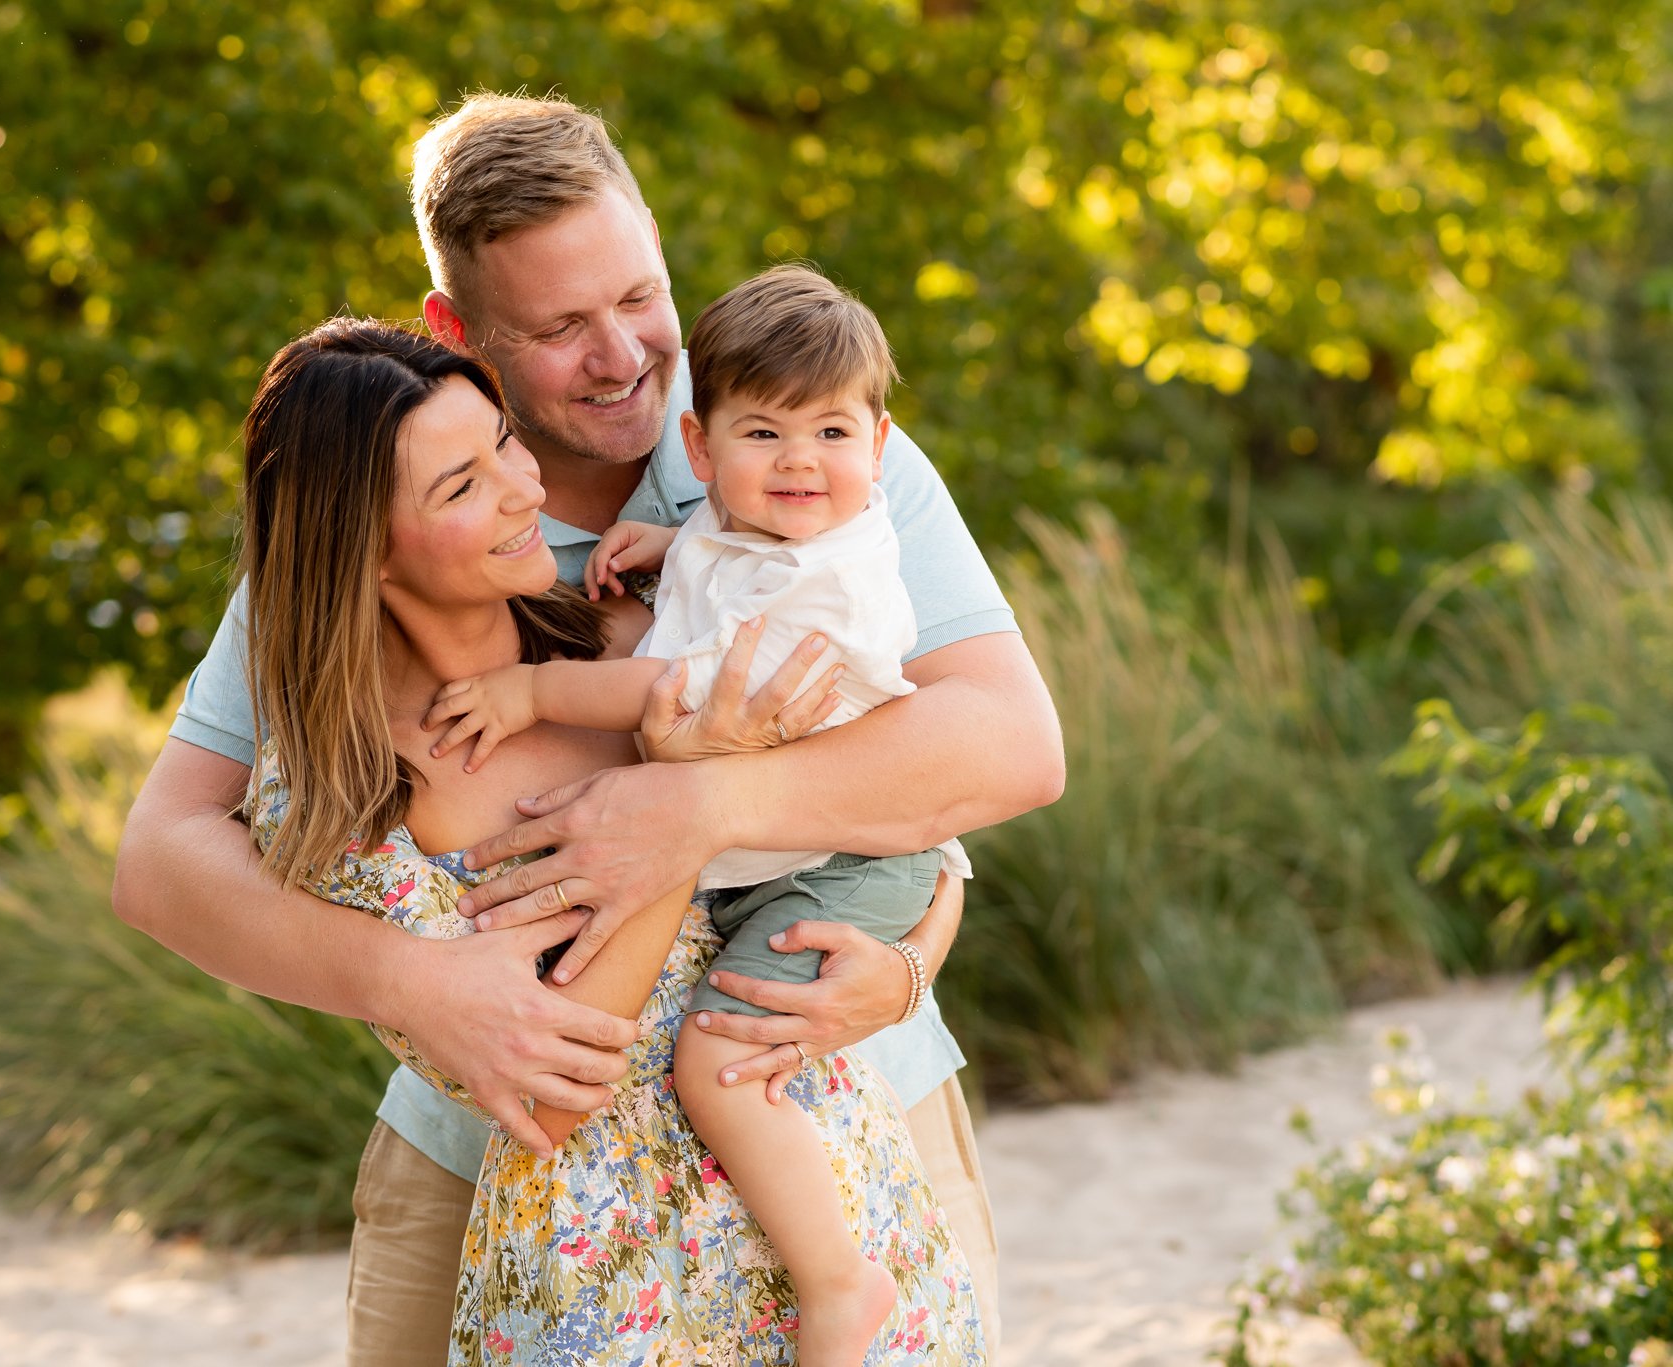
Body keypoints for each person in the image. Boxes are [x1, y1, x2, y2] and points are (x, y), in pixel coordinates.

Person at [112, 92, 1063, 1363]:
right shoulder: (370, 521)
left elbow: (1005, 743)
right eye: (558, 328)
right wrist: (418, 986)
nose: (621, 355)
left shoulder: (809, 447)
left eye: (638, 295)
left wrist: (707, 813)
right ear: (457, 329)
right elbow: (163, 852)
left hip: (834, 1100)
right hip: (491, 1171)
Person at [234, 314, 988, 1362]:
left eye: (503, 442)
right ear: (358, 548)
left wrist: (905, 969)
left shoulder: (643, 637)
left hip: (838, 1219)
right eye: (460, 486)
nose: (524, 487)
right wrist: (684, 792)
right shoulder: (342, 796)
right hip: (611, 1282)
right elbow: (555, 1078)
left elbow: (894, 831)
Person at [428, 263, 970, 1362]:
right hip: (794, 853)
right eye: (762, 435)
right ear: (698, 449)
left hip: (838, 871)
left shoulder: (842, 581)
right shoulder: (758, 540)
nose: (798, 463)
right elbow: (740, 566)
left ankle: (835, 1282)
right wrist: (675, 548)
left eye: (828, 434)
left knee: (715, 1061)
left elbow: (668, 696)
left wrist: (528, 690)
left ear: (877, 447)